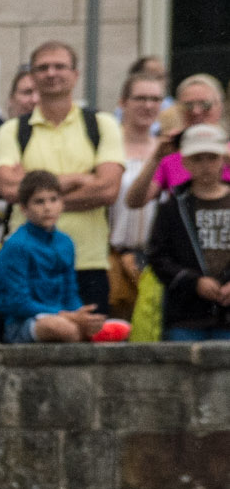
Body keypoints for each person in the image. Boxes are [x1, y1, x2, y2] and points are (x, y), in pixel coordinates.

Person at [0, 41, 125, 316]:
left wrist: (36, 195)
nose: (51, 73)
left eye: (60, 66)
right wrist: (80, 179)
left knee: (90, 352)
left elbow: (108, 190)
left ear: (75, 74)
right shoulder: (12, 131)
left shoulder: (102, 125)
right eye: (43, 67)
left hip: (88, 261)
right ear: (33, 77)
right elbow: (10, 190)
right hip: (30, 264)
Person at [0, 170, 106, 343]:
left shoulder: (65, 242)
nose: (48, 208)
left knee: (106, 327)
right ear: (24, 208)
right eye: (39, 202)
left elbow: (70, 292)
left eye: (53, 199)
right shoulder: (16, 245)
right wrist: (66, 316)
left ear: (62, 203)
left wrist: (81, 315)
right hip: (24, 323)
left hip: (64, 317)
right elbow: (17, 303)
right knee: (62, 328)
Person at [148, 124, 230, 341]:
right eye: (197, 158)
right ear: (184, 162)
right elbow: (158, 256)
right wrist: (192, 282)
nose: (206, 165)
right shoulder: (173, 207)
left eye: (211, 157)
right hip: (185, 315)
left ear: (223, 158)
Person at [108, 69, 171, 314]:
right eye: (140, 98)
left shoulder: (168, 150)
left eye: (155, 99)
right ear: (123, 103)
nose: (148, 105)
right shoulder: (109, 147)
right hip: (115, 258)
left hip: (157, 261)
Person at [125, 75, 228, 211]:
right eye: (188, 105)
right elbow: (135, 201)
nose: (196, 111)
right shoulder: (172, 152)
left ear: (220, 107)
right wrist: (155, 158)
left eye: (205, 105)